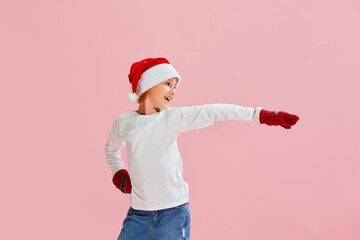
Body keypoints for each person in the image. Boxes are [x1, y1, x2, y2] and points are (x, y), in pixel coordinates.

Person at [104, 57, 300, 240]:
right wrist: (119, 175)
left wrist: (260, 115)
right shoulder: (124, 123)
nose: (173, 91)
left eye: (175, 86)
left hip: (173, 214)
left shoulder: (173, 118)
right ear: (148, 85)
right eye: (167, 84)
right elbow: (111, 149)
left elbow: (215, 111)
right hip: (138, 215)